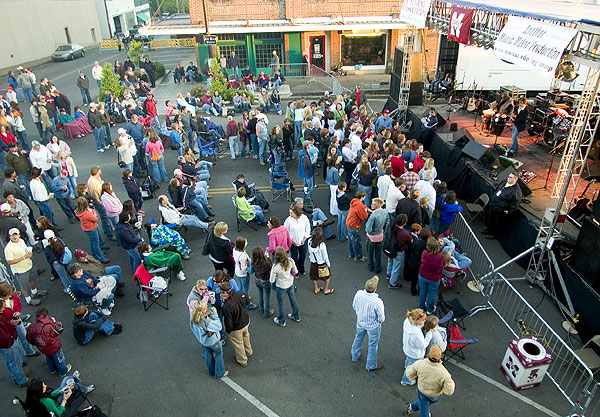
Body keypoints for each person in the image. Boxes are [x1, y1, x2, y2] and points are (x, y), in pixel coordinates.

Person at [406, 344, 455, 416]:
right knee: (424, 405)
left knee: (424, 404)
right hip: (435, 395)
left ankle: (413, 407)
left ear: (428, 354)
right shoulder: (444, 373)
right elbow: (449, 391)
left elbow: (409, 374)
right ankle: (413, 407)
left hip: (422, 390)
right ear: (440, 357)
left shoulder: (420, 364)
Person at [351, 275, 385, 371]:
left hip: (360, 322)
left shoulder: (359, 294)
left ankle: (354, 355)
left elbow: (354, 306)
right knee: (373, 344)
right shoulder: (378, 302)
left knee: (358, 337)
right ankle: (371, 365)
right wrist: (377, 322)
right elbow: (381, 318)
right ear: (375, 289)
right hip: (373, 326)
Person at [4, 228, 47, 306]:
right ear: (9, 237)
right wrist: (24, 257)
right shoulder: (8, 248)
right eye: (12, 235)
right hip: (20, 270)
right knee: (24, 286)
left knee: (32, 280)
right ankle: (28, 299)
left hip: (28, 265)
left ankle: (34, 292)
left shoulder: (21, 241)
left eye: (16, 234)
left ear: (19, 235)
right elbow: (9, 261)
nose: (14, 236)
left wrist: (29, 254)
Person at [26, 307, 71, 377]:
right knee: (59, 359)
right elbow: (58, 330)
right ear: (46, 315)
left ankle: (52, 370)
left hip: (42, 348)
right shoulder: (49, 325)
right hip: (54, 347)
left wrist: (36, 343)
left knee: (49, 358)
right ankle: (63, 372)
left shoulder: (32, 327)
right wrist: (55, 322)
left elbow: (29, 338)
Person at [190, 300, 228, 379]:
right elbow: (218, 326)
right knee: (218, 355)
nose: (207, 307)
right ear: (203, 310)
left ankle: (210, 371)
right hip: (213, 342)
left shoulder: (193, 318)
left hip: (203, 341)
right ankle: (219, 373)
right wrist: (215, 314)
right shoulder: (206, 322)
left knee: (208, 355)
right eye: (206, 307)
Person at [220, 281, 253, 367]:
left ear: (225, 293)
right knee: (246, 336)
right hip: (246, 321)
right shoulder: (241, 293)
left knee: (238, 344)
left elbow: (228, 321)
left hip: (236, 327)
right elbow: (247, 302)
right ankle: (249, 351)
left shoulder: (226, 306)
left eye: (221, 293)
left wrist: (228, 331)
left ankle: (242, 360)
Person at [0, 298, 31, 387]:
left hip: (4, 346)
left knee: (9, 361)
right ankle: (22, 380)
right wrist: (11, 337)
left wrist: (10, 322)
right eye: (2, 308)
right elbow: (3, 336)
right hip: (8, 345)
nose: (4, 309)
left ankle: (16, 376)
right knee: (15, 362)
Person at [483, 172, 522, 239]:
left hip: (500, 209)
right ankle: (488, 230)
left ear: (515, 179)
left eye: (510, 177)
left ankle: (494, 235)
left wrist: (509, 211)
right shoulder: (504, 182)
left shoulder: (516, 191)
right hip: (494, 204)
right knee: (490, 218)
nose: (508, 178)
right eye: (508, 176)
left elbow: (515, 203)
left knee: (497, 223)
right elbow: (497, 188)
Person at [402, 308, 433, 386]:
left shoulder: (407, 321)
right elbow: (422, 345)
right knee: (411, 368)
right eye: (423, 320)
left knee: (409, 362)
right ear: (416, 320)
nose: (424, 321)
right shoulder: (416, 334)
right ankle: (406, 380)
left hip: (407, 348)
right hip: (415, 354)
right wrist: (429, 334)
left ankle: (407, 366)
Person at [270, 246, 300, 327]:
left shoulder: (275, 267)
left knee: (281, 304)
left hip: (281, 286)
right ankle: (296, 316)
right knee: (293, 299)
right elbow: (296, 271)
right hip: (290, 283)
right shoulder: (290, 261)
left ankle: (281, 320)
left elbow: (272, 280)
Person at [74, 197, 109, 263]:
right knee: (95, 243)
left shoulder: (80, 212)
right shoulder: (86, 213)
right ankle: (101, 257)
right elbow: (95, 219)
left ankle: (96, 254)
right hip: (91, 228)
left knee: (93, 242)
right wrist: (94, 214)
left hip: (88, 228)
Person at [419, 238, 447, 314]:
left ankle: (421, 308)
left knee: (423, 292)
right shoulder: (441, 258)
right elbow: (444, 264)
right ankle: (429, 309)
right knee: (432, 294)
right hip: (434, 279)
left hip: (423, 276)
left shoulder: (424, 253)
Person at [386, 214, 413, 289]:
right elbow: (411, 240)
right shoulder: (404, 233)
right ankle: (392, 283)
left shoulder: (392, 228)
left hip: (391, 248)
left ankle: (388, 274)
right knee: (396, 267)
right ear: (404, 223)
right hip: (399, 251)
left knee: (390, 261)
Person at [284, 204, 310, 276]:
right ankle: (295, 271)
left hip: (303, 241)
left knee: (303, 256)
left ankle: (301, 268)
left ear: (296, 212)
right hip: (293, 242)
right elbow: (286, 231)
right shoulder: (288, 220)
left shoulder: (304, 218)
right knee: (294, 257)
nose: (290, 214)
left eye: (291, 213)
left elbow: (308, 229)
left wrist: (304, 239)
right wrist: (292, 241)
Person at [232, 237, 257, 311]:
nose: (247, 243)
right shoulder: (242, 255)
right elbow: (244, 268)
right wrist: (248, 271)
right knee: (245, 289)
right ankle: (247, 304)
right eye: (246, 242)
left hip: (237, 271)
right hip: (243, 274)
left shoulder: (235, 250)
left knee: (240, 285)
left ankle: (239, 299)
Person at [365, 198, 389, 274]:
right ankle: (377, 268)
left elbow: (368, 229)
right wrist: (383, 229)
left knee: (370, 252)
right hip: (380, 235)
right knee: (378, 253)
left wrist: (370, 232)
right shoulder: (385, 212)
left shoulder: (373, 215)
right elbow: (388, 222)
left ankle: (371, 266)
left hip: (372, 237)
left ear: (376, 205)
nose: (371, 205)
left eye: (373, 204)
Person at [307, 228, 334, 295]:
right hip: (322, 263)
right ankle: (326, 289)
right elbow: (325, 256)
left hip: (313, 262)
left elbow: (310, 252)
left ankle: (316, 289)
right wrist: (328, 264)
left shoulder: (309, 242)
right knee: (327, 277)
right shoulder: (322, 245)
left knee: (314, 276)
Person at [251, 246, 274, 318]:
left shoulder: (253, 261)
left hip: (257, 279)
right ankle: (266, 313)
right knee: (266, 297)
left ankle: (261, 309)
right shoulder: (265, 263)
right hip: (265, 281)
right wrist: (268, 258)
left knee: (260, 295)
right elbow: (271, 267)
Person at [347, 190, 369, 262]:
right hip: (354, 225)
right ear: (362, 197)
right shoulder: (359, 205)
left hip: (349, 223)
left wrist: (366, 208)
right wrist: (366, 211)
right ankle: (359, 257)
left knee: (351, 239)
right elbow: (364, 217)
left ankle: (351, 253)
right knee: (356, 241)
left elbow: (362, 206)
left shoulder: (354, 201)